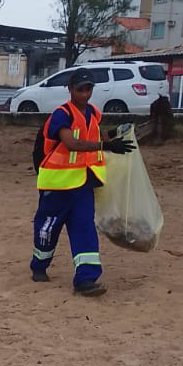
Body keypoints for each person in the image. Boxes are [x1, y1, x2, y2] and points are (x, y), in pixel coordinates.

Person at [29, 68, 135, 297]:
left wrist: (115, 134)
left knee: (84, 228)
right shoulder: (61, 115)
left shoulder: (93, 114)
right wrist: (106, 147)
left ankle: (86, 280)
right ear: (71, 89)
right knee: (48, 229)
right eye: (81, 89)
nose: (85, 94)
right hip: (56, 185)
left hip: (83, 184)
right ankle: (39, 266)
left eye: (89, 89)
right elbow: (72, 144)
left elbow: (95, 137)